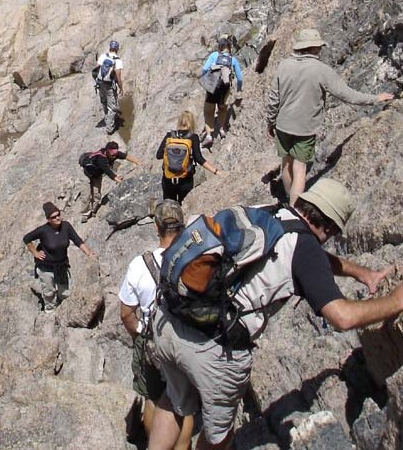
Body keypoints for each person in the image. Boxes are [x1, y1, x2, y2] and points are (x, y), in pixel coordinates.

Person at [147, 178, 403, 450]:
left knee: (173, 401)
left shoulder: (270, 213)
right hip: (214, 349)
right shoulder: (304, 248)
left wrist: (362, 273)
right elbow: (342, 317)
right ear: (330, 227)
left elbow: (311, 259)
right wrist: (394, 301)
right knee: (219, 437)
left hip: (171, 319)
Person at [266, 28, 394, 204]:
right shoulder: (322, 70)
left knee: (286, 163)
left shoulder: (284, 65)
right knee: (300, 168)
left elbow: (273, 98)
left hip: (282, 124)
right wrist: (375, 99)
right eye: (318, 47)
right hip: (306, 128)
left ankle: (286, 199)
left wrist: (270, 122)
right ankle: (294, 209)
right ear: (313, 48)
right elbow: (347, 95)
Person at [119, 200, 195, 448]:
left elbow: (126, 314)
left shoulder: (140, 264)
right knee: (186, 400)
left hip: (152, 340)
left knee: (153, 397)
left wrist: (140, 334)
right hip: (187, 338)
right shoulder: (195, 257)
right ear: (182, 227)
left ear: (156, 227)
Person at [23, 202, 95, 312]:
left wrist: (88, 253)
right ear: (48, 219)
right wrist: (35, 253)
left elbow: (77, 240)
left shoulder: (66, 226)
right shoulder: (43, 230)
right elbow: (27, 238)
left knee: (64, 292)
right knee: (49, 291)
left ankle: (65, 310)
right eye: (53, 217)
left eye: (58, 215)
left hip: (61, 265)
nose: (57, 218)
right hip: (46, 267)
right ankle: (50, 310)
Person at [155, 110, 222, 203]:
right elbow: (199, 159)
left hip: (168, 179)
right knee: (184, 208)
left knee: (170, 209)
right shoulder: (193, 137)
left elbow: (158, 155)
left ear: (180, 121)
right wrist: (216, 171)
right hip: (185, 180)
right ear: (192, 122)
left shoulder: (170, 135)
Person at [79, 141, 143, 221]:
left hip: (97, 175)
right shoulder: (101, 159)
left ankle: (93, 210)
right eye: (112, 154)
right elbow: (109, 173)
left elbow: (126, 156)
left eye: (115, 154)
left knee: (97, 194)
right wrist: (122, 183)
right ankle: (85, 214)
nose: (114, 156)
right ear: (107, 151)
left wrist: (137, 162)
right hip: (86, 173)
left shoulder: (114, 154)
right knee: (86, 195)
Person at [200, 36, 243, 147]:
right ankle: (222, 129)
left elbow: (204, 69)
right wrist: (238, 90)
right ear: (229, 48)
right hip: (225, 88)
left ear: (219, 47)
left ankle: (209, 136)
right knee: (222, 108)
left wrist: (205, 79)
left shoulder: (214, 55)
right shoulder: (233, 60)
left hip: (212, 87)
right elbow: (240, 77)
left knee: (209, 111)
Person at [95, 39, 125, 134]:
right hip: (109, 85)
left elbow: (96, 69)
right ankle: (109, 128)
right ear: (117, 49)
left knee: (104, 102)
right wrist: (121, 87)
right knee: (112, 106)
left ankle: (107, 118)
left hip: (100, 82)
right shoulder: (117, 60)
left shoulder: (103, 56)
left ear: (110, 48)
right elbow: (118, 76)